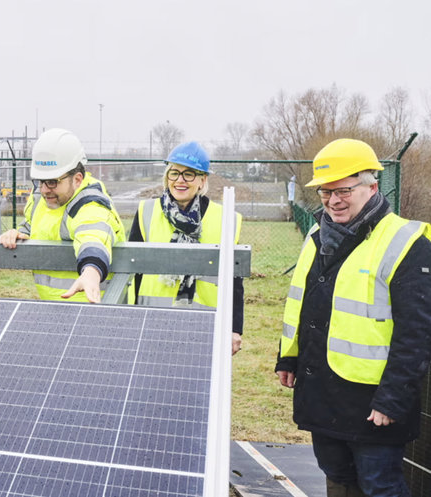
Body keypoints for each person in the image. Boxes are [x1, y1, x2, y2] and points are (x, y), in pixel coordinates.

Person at [275, 138, 431, 497]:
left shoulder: (406, 243)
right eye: (326, 193)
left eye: (344, 190)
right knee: (338, 476)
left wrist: (392, 399)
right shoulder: (317, 236)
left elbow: (417, 333)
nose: (333, 201)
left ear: (372, 186)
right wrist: (289, 356)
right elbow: (305, 303)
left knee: (381, 484)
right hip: (324, 391)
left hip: (374, 403)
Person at [128, 141, 244, 355]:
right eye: (174, 173)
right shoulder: (147, 212)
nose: (180, 180)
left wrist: (235, 329)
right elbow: (132, 271)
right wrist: (129, 318)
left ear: (202, 180)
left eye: (189, 174)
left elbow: (234, 281)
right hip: (152, 320)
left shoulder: (225, 219)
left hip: (205, 324)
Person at [0, 128, 125, 303]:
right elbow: (33, 224)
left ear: (77, 179)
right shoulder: (40, 197)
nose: (43, 189)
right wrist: (19, 233)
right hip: (54, 307)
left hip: (93, 308)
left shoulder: (90, 204)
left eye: (52, 182)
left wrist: (91, 272)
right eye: (40, 181)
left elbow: (94, 235)